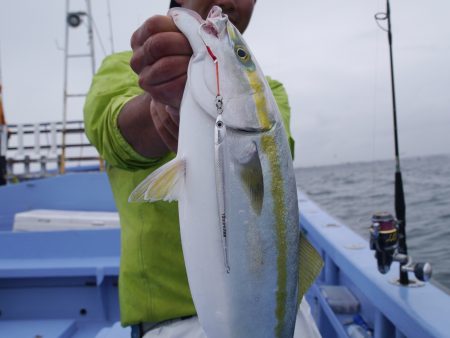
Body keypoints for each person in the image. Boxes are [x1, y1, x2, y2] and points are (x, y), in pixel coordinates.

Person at [84, 1, 320, 337]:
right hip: (171, 324)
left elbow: (274, 167)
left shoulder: (269, 90)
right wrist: (160, 105)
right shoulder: (123, 68)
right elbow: (112, 131)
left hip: (275, 313)